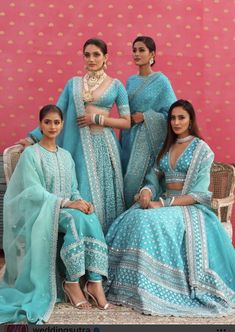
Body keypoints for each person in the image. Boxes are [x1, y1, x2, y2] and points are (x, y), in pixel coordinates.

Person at [105, 99, 235, 316]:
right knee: (131, 217)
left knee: (148, 220)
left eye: (181, 117)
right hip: (163, 202)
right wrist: (147, 191)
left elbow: (199, 194)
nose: (176, 122)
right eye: (173, 118)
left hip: (187, 207)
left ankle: (158, 288)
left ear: (190, 120)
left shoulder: (201, 150)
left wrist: (163, 203)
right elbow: (154, 178)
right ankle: (129, 285)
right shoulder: (167, 147)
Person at [0, 105, 110, 324]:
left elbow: (73, 188)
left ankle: (94, 281)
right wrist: (68, 203)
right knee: (73, 217)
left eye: (56, 122)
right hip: (41, 212)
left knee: (88, 215)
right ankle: (71, 282)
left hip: (65, 208)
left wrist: (83, 202)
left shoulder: (66, 156)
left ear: (61, 125)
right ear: (40, 124)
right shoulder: (31, 154)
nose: (52, 126)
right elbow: (33, 192)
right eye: (47, 122)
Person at [18, 38, 131, 233]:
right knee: (82, 190)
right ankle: (84, 239)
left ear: (106, 57)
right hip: (79, 147)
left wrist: (97, 118)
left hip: (105, 149)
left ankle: (107, 242)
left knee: (105, 196)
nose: (91, 59)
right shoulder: (74, 84)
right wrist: (33, 138)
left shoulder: (116, 85)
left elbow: (126, 122)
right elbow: (58, 110)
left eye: (96, 54)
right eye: (87, 55)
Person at [121, 36, 176, 208]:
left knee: (138, 180)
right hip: (128, 138)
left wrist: (146, 117)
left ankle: (140, 213)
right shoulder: (130, 80)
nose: (137, 54)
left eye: (142, 50)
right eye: (134, 50)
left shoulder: (161, 81)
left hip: (148, 140)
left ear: (152, 54)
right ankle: (124, 222)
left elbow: (172, 114)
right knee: (125, 178)